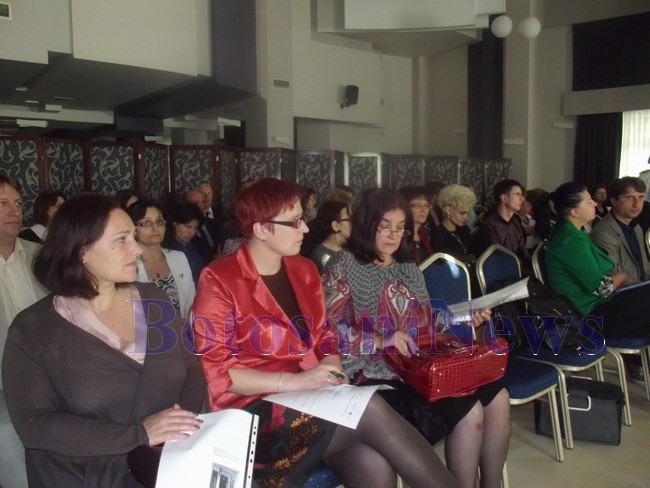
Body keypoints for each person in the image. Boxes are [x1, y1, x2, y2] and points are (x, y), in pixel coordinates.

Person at [192, 178, 460, 488]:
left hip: (310, 396)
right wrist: (297, 381)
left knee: (373, 463)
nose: (305, 228)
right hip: (253, 411)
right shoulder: (220, 279)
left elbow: (323, 335)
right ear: (262, 229)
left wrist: (332, 367)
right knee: (371, 408)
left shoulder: (303, 269)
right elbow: (220, 374)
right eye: (295, 222)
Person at [2, 193, 206, 487]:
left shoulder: (154, 300)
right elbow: (35, 424)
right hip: (84, 476)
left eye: (133, 236)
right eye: (121, 239)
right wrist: (139, 434)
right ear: (81, 251)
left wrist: (178, 431)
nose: (136, 249)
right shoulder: (34, 330)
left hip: (167, 465)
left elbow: (192, 367)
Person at [322, 189, 510, 488]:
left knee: (498, 397)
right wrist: (380, 340)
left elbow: (425, 322)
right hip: (374, 371)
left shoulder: (408, 267)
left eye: (400, 228)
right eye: (384, 227)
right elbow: (327, 330)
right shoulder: (344, 264)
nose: (393, 235)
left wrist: (463, 316)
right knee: (469, 411)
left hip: (418, 363)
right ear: (366, 224)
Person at [545, 182, 650, 345]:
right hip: (590, 316)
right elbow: (601, 288)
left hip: (602, 305)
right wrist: (622, 277)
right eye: (588, 202)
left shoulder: (576, 233)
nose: (594, 203)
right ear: (574, 211)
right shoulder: (570, 241)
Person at [0, 173, 49, 488]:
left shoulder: (38, 256)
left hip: (47, 378)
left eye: (18, 203)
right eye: (2, 203)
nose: (14, 211)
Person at [127, 200, 196, 319]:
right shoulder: (128, 264)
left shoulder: (179, 258)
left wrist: (186, 324)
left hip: (182, 328)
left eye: (159, 222)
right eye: (146, 222)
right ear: (133, 229)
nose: (155, 228)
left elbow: (192, 301)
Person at [590, 177, 650, 283]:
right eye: (630, 197)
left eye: (641, 197)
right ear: (614, 201)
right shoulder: (603, 234)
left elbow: (643, 268)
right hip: (628, 291)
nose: (637, 204)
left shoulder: (636, 228)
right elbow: (614, 279)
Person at [472, 179, 530, 268]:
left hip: (516, 268)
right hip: (500, 271)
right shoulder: (490, 225)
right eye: (517, 194)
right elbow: (499, 258)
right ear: (504, 198)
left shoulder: (515, 222)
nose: (522, 199)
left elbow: (524, 254)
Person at [307, 200, 353, 273]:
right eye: (350, 219)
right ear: (335, 226)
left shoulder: (352, 247)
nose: (354, 223)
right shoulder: (321, 256)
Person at [169, 202, 206, 285]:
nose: (192, 232)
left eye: (195, 228)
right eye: (188, 227)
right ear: (175, 224)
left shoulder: (200, 243)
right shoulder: (168, 248)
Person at [183, 188, 220, 263]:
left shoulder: (214, 223)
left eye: (203, 202)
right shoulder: (183, 229)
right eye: (196, 203)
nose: (201, 206)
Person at [399, 185, 434, 265]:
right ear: (405, 207)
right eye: (418, 205)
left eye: (426, 205)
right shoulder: (399, 237)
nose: (423, 210)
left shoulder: (427, 235)